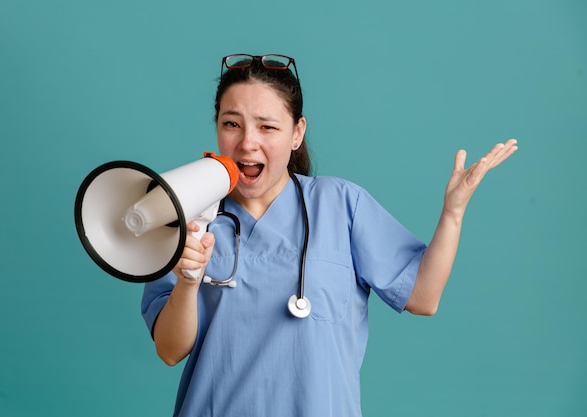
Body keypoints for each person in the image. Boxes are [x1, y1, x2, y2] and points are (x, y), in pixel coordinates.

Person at [141, 54, 518, 417]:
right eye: (231, 123)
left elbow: (423, 296)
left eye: (267, 126)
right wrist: (188, 282)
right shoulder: (184, 217)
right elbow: (171, 351)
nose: (247, 143)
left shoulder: (341, 205)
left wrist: (452, 212)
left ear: (296, 133)